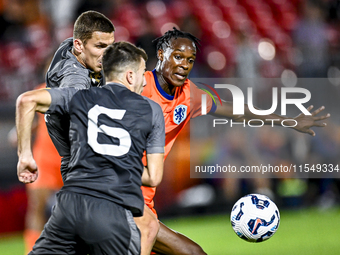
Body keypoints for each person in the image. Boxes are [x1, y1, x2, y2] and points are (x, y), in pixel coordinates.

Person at [138, 27, 330, 255]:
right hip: (122, 195)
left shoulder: (190, 94)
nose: (184, 64)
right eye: (177, 56)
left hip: (145, 199)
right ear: (161, 54)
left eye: (190, 60)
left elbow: (239, 112)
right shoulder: (137, 87)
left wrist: (289, 121)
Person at [16, 41, 165, 254]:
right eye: (143, 74)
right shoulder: (149, 109)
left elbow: (26, 101)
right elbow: (153, 177)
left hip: (72, 194)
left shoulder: (79, 95)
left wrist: (24, 154)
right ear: (131, 76)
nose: (145, 81)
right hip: (105, 201)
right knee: (148, 226)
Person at [45, 10, 160, 255]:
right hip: (89, 168)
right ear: (78, 45)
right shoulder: (75, 81)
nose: (106, 54)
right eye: (100, 46)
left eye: (110, 46)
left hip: (89, 166)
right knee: (145, 226)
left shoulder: (74, 50)